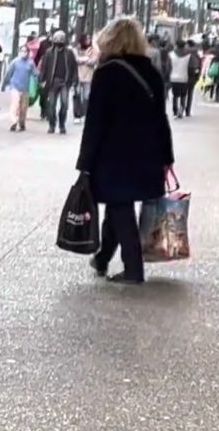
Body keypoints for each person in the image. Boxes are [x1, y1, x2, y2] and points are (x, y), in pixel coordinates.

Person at [76, 17, 174, 285]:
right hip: (148, 154)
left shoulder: (107, 73)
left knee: (120, 206)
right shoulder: (151, 73)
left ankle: (133, 269)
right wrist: (167, 157)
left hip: (115, 155)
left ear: (111, 40)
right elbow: (161, 118)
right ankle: (102, 258)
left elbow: (95, 122)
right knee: (117, 205)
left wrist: (85, 162)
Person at [38, 30, 79, 134]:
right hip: (52, 82)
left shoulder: (69, 53)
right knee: (51, 105)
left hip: (65, 82)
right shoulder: (49, 53)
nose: (59, 42)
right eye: (57, 40)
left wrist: (74, 81)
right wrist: (42, 80)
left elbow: (74, 68)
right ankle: (52, 125)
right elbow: (44, 67)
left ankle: (62, 124)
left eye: (61, 40)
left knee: (64, 105)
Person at [1, 45, 36, 132]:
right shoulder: (15, 62)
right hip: (15, 86)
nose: (23, 53)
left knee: (23, 108)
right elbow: (9, 73)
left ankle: (22, 123)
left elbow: (35, 73)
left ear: (28, 53)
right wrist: (4, 84)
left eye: (25, 51)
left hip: (25, 88)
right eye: (21, 51)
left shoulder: (31, 63)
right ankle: (13, 122)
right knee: (15, 104)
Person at [74, 33, 98, 125]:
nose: (88, 40)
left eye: (89, 38)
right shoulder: (77, 49)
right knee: (77, 95)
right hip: (77, 76)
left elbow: (93, 61)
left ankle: (85, 114)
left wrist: (83, 59)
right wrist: (86, 58)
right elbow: (76, 59)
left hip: (88, 76)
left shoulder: (93, 49)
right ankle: (77, 115)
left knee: (86, 96)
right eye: (87, 38)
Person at [168, 39, 191, 119]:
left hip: (173, 78)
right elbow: (189, 68)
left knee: (175, 95)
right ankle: (181, 110)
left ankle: (175, 111)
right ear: (184, 46)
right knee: (183, 95)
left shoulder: (171, 54)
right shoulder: (188, 56)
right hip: (184, 78)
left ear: (176, 45)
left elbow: (169, 67)